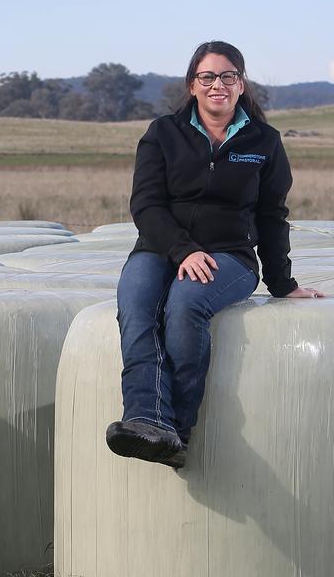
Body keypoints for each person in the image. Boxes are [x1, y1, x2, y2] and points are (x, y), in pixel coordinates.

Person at [106, 40, 323, 469]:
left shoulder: (264, 141)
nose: (217, 85)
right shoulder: (162, 134)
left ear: (241, 85)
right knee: (135, 304)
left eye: (228, 76)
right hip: (159, 248)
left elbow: (273, 215)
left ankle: (176, 433)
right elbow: (145, 206)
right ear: (192, 85)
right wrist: (182, 249)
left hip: (231, 258)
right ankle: (145, 418)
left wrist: (283, 283)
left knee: (185, 304)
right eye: (207, 77)